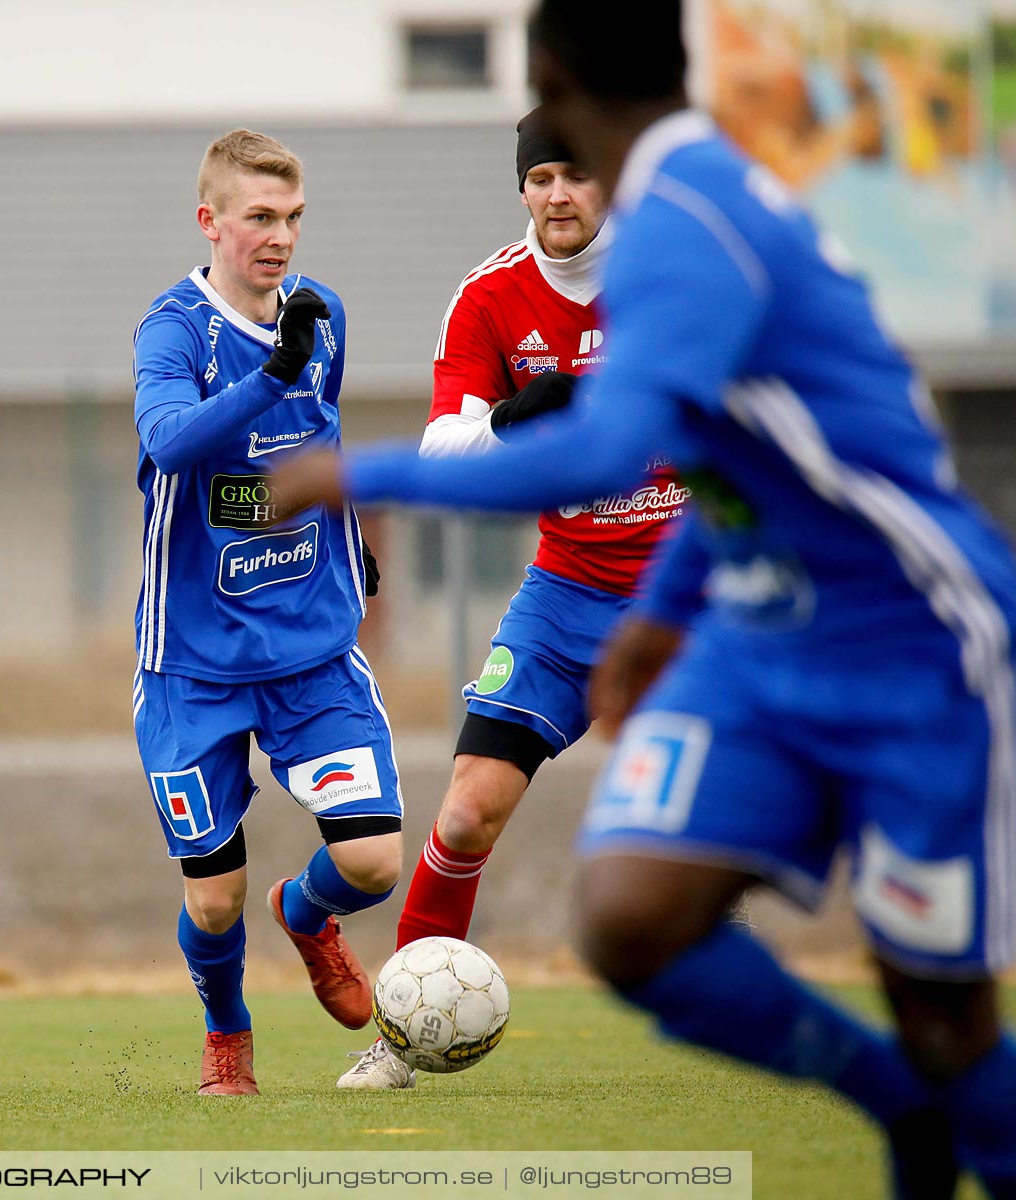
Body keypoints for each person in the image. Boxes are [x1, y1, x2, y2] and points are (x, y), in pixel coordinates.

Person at [269, 2, 1016, 1193]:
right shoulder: (660, 213)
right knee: (633, 921)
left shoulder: (682, 228)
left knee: (945, 1013)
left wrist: (352, 473)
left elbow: (616, 449)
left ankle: (941, 1105)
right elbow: (715, 444)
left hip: (910, 628)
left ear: (558, 81)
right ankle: (902, 1107)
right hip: (739, 611)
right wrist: (663, 608)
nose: (554, 188)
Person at [339, 108, 690, 1091]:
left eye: (576, 175)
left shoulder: (669, 280)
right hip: (568, 590)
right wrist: (512, 416)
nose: (558, 196)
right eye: (541, 178)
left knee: (723, 826)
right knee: (463, 814)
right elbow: (442, 453)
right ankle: (402, 1039)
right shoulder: (493, 296)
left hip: (688, 599)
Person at [131, 129, 404, 1097]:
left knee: (372, 860)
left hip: (309, 654)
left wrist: (349, 537)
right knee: (212, 904)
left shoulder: (322, 320)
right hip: (193, 666)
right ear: (211, 222)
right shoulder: (172, 331)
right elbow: (169, 445)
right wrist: (269, 380)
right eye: (259, 218)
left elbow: (312, 450)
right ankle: (227, 1030)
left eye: (292, 218)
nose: (280, 237)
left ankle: (307, 914)